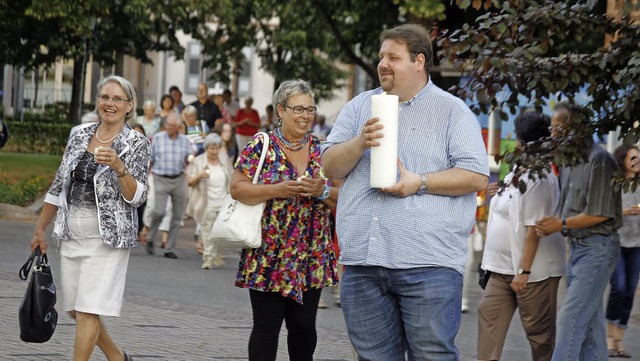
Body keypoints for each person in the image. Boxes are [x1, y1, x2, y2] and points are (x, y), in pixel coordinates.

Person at [321, 24, 489, 360]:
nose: (383, 63)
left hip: (428, 264)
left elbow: (475, 176)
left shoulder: (452, 111)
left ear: (419, 61)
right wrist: (359, 141)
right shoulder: (358, 107)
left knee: (431, 355)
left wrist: (420, 182)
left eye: (393, 57)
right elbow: (329, 166)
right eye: (382, 55)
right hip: (363, 263)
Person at [30, 75, 149, 361]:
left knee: (87, 311)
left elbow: (138, 197)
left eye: (117, 99)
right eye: (104, 97)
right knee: (74, 308)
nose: (109, 103)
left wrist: (120, 168)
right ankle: (116, 356)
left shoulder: (136, 142)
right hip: (72, 233)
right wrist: (40, 228)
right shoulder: (79, 133)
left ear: (129, 106)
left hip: (107, 239)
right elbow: (59, 184)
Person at [232, 79, 339, 361]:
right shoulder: (261, 145)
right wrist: (276, 190)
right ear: (281, 110)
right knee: (267, 327)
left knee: (304, 326)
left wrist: (322, 190)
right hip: (269, 252)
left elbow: (344, 196)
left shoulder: (323, 150)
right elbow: (237, 188)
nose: (305, 116)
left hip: (312, 252)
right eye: (298, 109)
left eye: (310, 109)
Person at [535, 101, 622, 361]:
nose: (552, 134)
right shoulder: (568, 162)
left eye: (556, 128)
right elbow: (568, 210)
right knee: (591, 324)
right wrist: (554, 221)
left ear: (576, 128)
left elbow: (601, 213)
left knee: (570, 317)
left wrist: (560, 225)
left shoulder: (600, 160)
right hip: (578, 248)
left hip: (599, 248)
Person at [477, 111, 565, 361]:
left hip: (533, 271)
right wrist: (499, 191)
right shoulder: (516, 171)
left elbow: (534, 228)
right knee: (488, 313)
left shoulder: (542, 176)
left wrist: (523, 271)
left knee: (539, 334)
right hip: (500, 268)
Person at [605, 144, 640, 358]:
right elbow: (605, 211)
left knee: (629, 292)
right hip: (616, 242)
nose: (637, 161)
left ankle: (619, 340)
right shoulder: (614, 184)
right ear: (623, 160)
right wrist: (623, 211)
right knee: (618, 287)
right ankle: (609, 337)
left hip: (637, 244)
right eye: (633, 157)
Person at [145, 112, 195, 259]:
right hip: (160, 178)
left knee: (177, 215)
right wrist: (145, 176)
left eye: (171, 125)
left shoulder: (184, 140)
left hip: (179, 179)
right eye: (166, 124)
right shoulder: (158, 138)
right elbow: (151, 159)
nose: (168, 127)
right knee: (159, 211)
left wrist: (190, 159)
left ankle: (169, 247)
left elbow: (190, 156)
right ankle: (150, 237)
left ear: (178, 127)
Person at [185, 133, 232, 269]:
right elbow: (189, 181)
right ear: (206, 148)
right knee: (207, 231)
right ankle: (208, 258)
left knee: (221, 232)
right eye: (211, 148)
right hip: (206, 203)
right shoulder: (198, 161)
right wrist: (200, 175)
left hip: (223, 202)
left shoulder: (224, 160)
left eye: (216, 148)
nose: (214, 151)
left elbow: (231, 178)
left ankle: (217, 255)